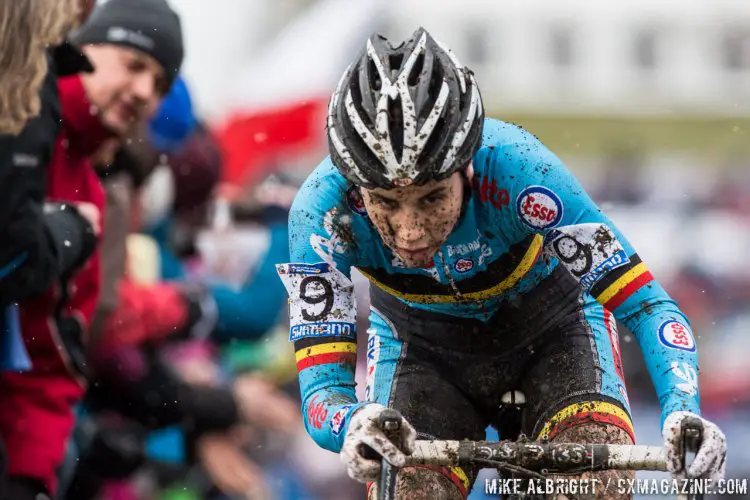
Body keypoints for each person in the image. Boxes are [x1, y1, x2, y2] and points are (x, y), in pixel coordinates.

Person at [276, 28, 727, 499]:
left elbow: (648, 306)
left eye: (432, 198)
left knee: (595, 487)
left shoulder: (523, 173)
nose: (410, 230)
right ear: (355, 188)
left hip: (554, 332)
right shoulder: (321, 215)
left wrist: (682, 409)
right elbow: (322, 394)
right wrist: (353, 422)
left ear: (469, 166)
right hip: (422, 354)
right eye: (385, 203)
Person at [0, 0, 184, 498]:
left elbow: (56, 350)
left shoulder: (92, 190)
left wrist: (31, 474)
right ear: (86, 46)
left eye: (161, 84)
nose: (146, 92)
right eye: (135, 65)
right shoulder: (17, 109)